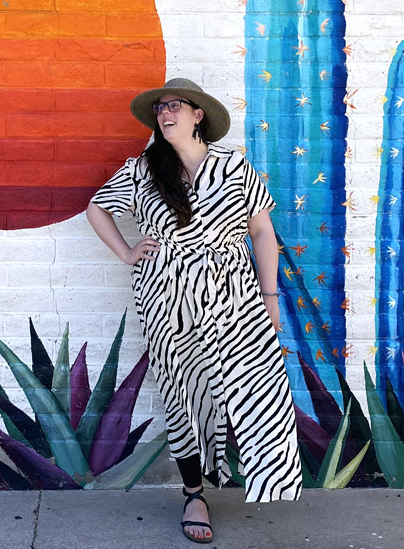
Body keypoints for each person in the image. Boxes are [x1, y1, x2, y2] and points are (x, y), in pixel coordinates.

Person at [85, 78, 301, 544]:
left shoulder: (235, 166)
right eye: (159, 109)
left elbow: (262, 233)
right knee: (183, 392)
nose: (165, 114)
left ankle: (269, 477)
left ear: (197, 114)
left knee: (256, 383)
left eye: (174, 106)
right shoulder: (143, 169)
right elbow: (97, 209)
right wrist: (126, 253)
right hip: (165, 294)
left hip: (236, 292)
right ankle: (194, 493)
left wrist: (270, 297)